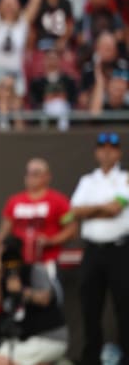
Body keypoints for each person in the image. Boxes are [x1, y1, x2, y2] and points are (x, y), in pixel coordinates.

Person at [69, 132, 129, 365]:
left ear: (119, 152)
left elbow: (115, 208)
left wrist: (91, 209)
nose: (106, 151)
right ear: (96, 152)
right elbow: (75, 211)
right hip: (92, 251)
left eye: (111, 148)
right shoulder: (87, 180)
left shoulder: (126, 178)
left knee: (124, 307)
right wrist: (101, 208)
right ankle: (91, 359)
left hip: (120, 251)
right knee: (90, 308)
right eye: (102, 147)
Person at [0, 235, 68, 365]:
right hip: (18, 340)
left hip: (47, 336)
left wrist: (22, 291)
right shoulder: (2, 277)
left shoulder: (35, 270)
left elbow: (45, 299)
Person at [0, 158, 76, 266]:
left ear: (47, 176)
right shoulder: (14, 201)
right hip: (18, 261)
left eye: (35, 173)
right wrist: (0, 250)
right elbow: (4, 231)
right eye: (28, 173)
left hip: (48, 260)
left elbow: (71, 229)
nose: (30, 177)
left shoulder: (60, 201)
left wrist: (51, 241)